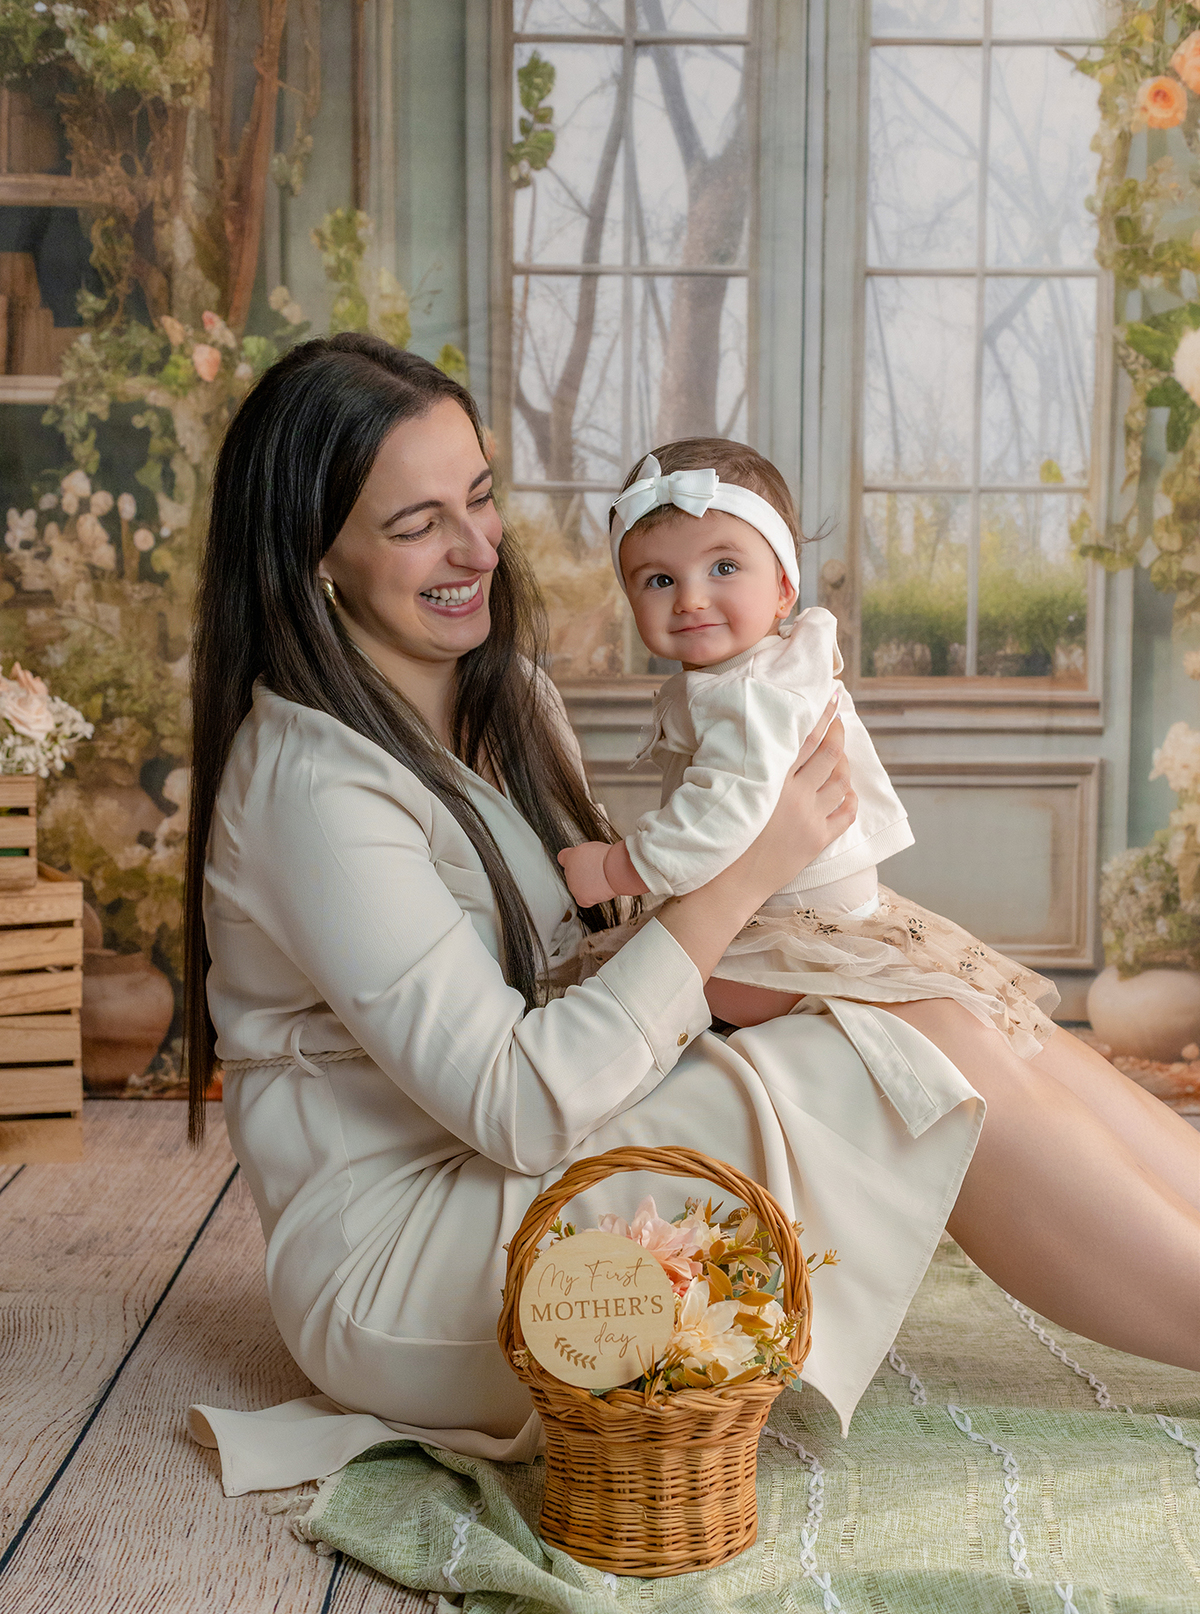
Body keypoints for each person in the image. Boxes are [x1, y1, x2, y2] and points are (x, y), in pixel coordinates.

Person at [184, 334, 1199, 1498]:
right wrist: (752, 873)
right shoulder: (315, 783)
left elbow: (602, 948)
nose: (474, 549)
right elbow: (516, 1104)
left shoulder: (505, 697)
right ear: (316, 556)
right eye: (415, 526)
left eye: (478, 499)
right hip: (419, 1265)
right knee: (913, 1053)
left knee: (941, 1000)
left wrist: (790, 924)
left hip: (544, 1148)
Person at [557, 441, 1059, 1048]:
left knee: (645, 982)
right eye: (660, 579)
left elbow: (723, 811)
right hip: (807, 897)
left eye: (723, 568)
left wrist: (617, 867)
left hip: (785, 915)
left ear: (783, 589)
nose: (690, 598)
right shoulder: (762, 669)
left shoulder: (747, 691)